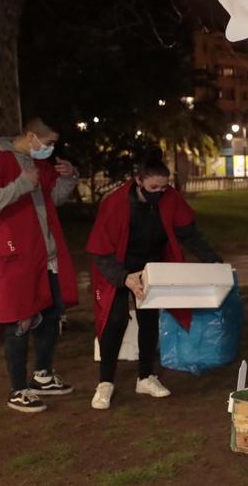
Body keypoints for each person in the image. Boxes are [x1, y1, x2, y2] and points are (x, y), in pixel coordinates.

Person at [85, 154, 224, 410]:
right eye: (153, 188)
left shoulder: (170, 199)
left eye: (163, 187)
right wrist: (123, 277)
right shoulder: (116, 204)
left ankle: (145, 377)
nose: (159, 193)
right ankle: (105, 382)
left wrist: (214, 262)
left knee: (149, 319)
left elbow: (190, 235)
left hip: (150, 266)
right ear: (138, 181)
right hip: (116, 266)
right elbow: (99, 250)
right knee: (114, 321)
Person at [0, 117, 80, 413]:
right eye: (49, 142)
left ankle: (42, 374)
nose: (51, 149)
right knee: (20, 321)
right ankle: (18, 389)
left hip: (44, 258)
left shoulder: (34, 162)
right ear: (32, 136)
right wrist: (19, 185)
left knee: (51, 314)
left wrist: (69, 178)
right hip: (15, 259)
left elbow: (50, 200)